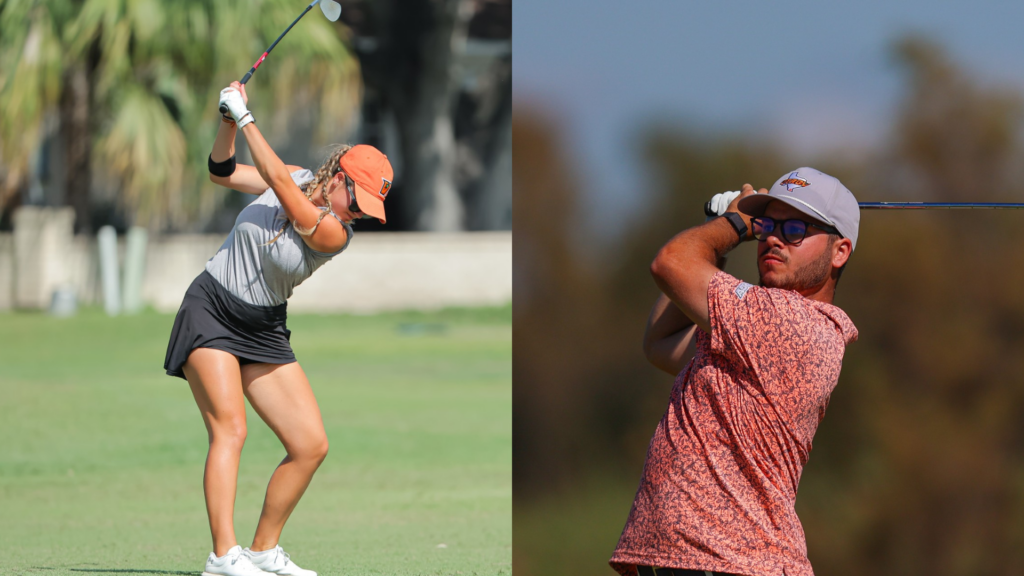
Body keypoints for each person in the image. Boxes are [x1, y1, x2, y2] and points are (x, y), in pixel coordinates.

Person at [163, 82, 394, 576]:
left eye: (366, 210)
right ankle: (224, 557)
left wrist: (246, 117)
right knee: (231, 429)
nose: (358, 214)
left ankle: (263, 551)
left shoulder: (335, 233)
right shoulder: (294, 175)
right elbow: (221, 171)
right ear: (339, 176)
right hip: (211, 308)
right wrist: (228, 121)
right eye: (358, 199)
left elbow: (284, 190)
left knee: (310, 444)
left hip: (264, 327)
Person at [609, 168, 860, 576]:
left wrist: (733, 222)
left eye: (796, 228)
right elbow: (662, 343)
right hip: (712, 562)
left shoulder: (788, 323)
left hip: (732, 563)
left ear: (840, 252)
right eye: (767, 226)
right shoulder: (754, 329)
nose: (774, 238)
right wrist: (717, 235)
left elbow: (671, 264)